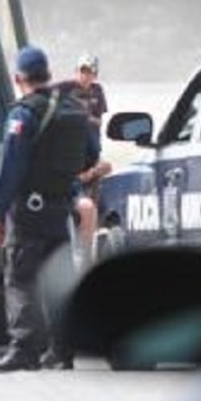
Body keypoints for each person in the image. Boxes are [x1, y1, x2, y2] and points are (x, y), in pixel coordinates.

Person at [0, 45, 101, 373]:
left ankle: (23, 349)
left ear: (18, 78)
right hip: (62, 208)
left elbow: (10, 169)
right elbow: (91, 155)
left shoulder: (24, 114)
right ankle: (61, 352)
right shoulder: (75, 109)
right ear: (47, 75)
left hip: (28, 212)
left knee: (20, 278)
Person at [58, 53, 113, 260]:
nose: (85, 76)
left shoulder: (98, 91)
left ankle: (98, 236)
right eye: (82, 71)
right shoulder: (68, 90)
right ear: (76, 71)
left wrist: (85, 118)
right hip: (74, 152)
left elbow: (99, 122)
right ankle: (82, 254)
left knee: (104, 174)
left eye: (89, 72)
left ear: (95, 74)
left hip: (91, 145)